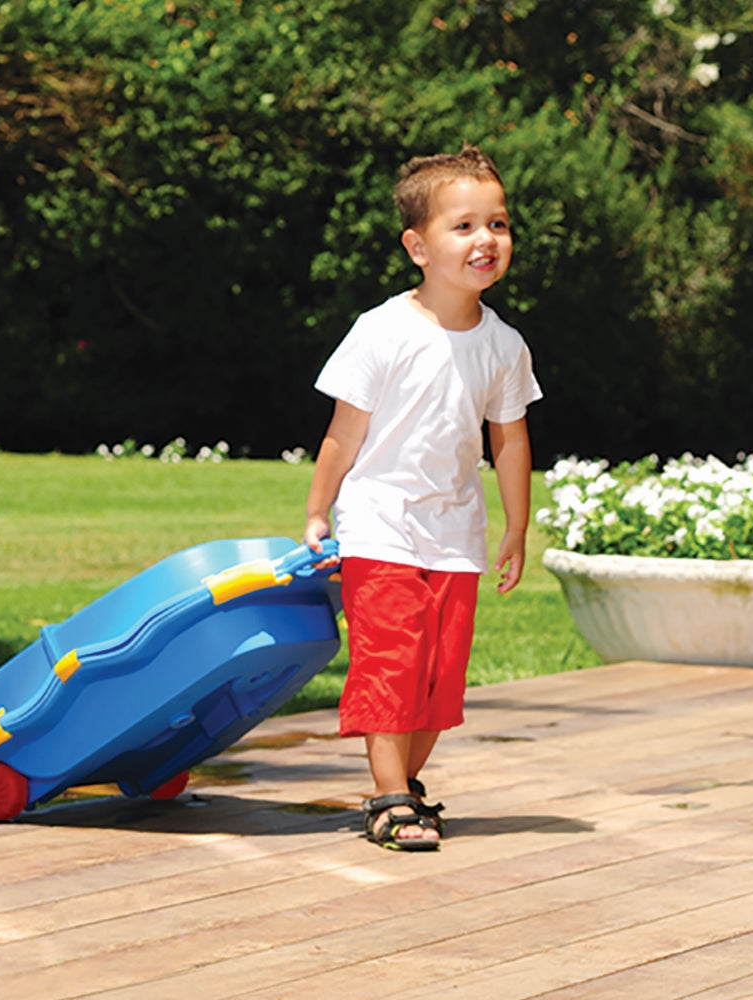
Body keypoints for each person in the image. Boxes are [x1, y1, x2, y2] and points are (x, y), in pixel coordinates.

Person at [304, 145, 542, 851]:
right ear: (417, 246)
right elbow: (343, 434)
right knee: (391, 663)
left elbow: (511, 442)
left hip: (455, 534)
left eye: (496, 224)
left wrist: (516, 527)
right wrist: (319, 510)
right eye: (463, 226)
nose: (486, 240)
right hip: (381, 526)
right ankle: (385, 797)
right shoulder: (383, 330)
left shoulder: (503, 346)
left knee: (440, 678)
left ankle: (403, 789)